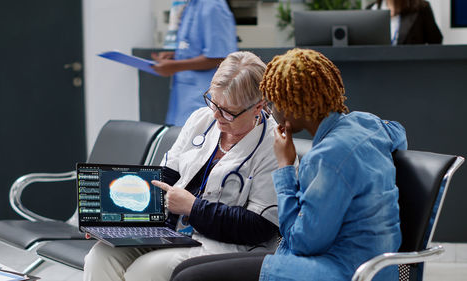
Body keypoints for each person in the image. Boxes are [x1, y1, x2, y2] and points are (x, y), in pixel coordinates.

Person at [170, 48, 408, 281]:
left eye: (273, 104)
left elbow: (300, 243)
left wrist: (285, 167)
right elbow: (399, 134)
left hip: (338, 268)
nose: (270, 112)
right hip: (373, 264)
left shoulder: (327, 157)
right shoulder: (367, 123)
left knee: (189, 276)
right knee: (187, 269)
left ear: (293, 105)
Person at [83, 51, 280, 281]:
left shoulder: (273, 145)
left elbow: (260, 227)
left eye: (228, 111)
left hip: (226, 246)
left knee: (145, 271)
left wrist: (193, 207)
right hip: (173, 233)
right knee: (100, 256)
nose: (216, 115)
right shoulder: (201, 119)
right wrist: (117, 223)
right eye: (213, 101)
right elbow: (164, 178)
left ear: (258, 107)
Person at [151, 0, 238, 126]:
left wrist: (175, 66)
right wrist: (176, 56)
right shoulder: (192, 4)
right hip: (184, 103)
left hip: (204, 101)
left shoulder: (213, 6)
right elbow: (195, 48)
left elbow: (221, 56)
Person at [367, 0, 442, 45]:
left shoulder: (421, 8)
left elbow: (436, 41)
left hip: (411, 68)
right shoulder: (371, 10)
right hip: (379, 68)